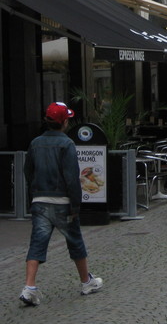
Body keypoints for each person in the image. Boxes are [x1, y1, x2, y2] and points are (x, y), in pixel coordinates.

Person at [20, 102, 103, 306]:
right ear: (65, 122)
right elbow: (72, 177)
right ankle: (86, 282)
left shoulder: (35, 143)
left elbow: (28, 171)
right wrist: (75, 205)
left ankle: (29, 287)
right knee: (75, 241)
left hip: (40, 200)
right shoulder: (67, 144)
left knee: (37, 243)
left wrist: (34, 193)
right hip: (62, 201)